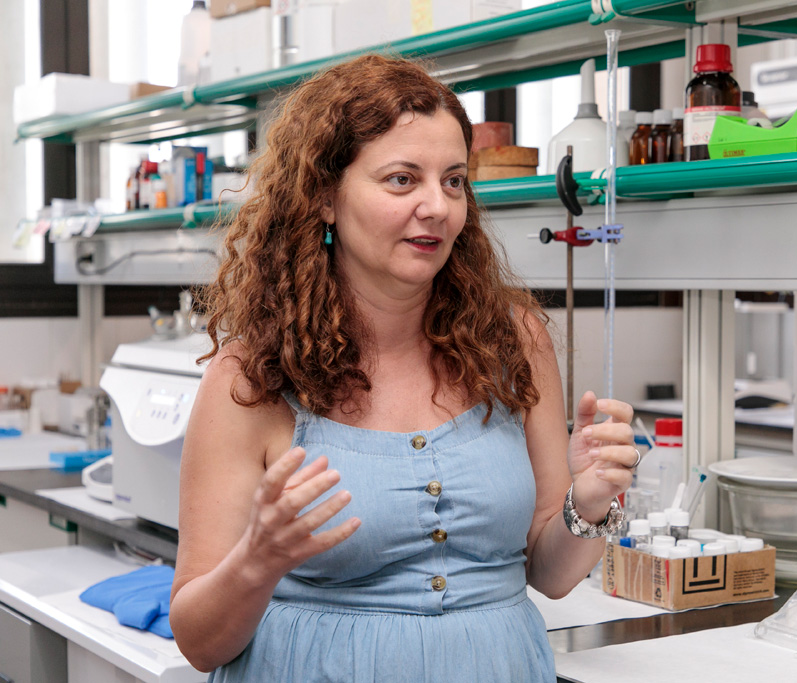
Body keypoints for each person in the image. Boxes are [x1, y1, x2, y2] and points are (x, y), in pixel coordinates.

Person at [168, 54, 638, 682]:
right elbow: (199, 643)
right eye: (401, 180)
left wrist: (591, 501)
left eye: (453, 181)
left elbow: (549, 575)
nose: (437, 206)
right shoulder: (251, 377)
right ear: (325, 197)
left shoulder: (513, 342)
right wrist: (258, 559)